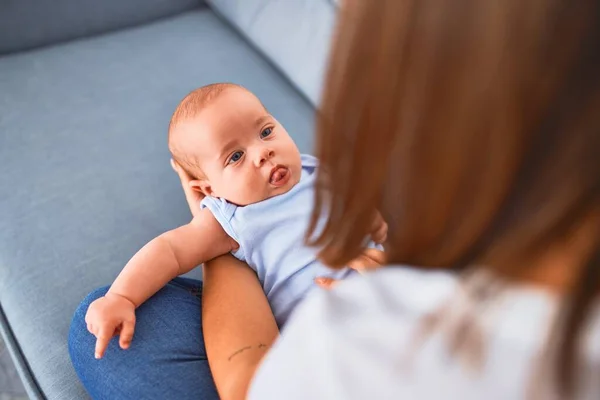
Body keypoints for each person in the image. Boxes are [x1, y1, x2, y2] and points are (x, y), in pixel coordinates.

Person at [70, 0, 600, 398]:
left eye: (266, 131)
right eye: (234, 158)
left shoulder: (308, 173)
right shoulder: (227, 219)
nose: (262, 154)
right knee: (102, 321)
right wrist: (123, 296)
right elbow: (168, 251)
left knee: (105, 343)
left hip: (343, 334)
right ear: (206, 189)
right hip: (307, 316)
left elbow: (247, 384)